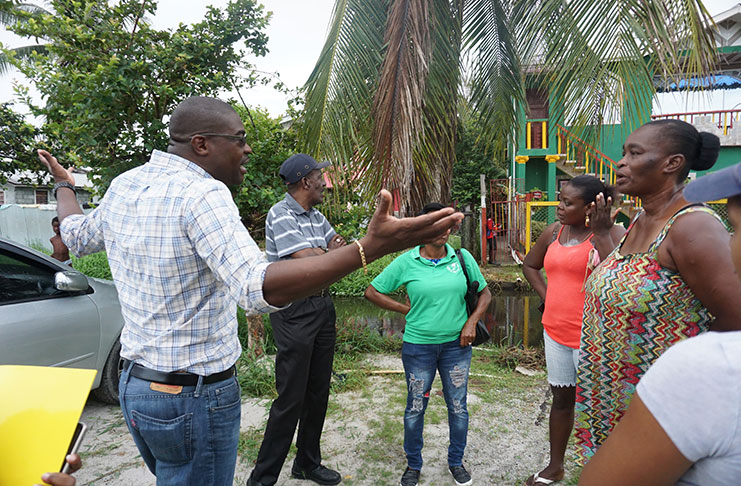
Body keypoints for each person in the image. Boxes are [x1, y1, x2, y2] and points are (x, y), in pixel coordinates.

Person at [37, 96, 463, 486]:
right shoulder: (203, 193)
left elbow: (76, 233)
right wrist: (369, 249)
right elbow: (253, 285)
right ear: (201, 144)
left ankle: (306, 461)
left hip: (138, 388)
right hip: (193, 395)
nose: (248, 150)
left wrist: (63, 186)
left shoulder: (125, 185)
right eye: (240, 140)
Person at [574, 119, 741, 464]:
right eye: (623, 153)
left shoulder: (691, 226)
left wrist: (681, 375)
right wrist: (604, 234)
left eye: (635, 153)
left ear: (672, 163)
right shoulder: (640, 220)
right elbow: (627, 284)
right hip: (614, 396)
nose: (621, 162)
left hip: (661, 404)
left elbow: (735, 319)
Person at [364, 203, 492, 486]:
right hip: (418, 348)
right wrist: (403, 309)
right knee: (415, 407)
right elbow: (372, 291)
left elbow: (484, 295)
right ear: (423, 227)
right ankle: (413, 465)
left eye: (448, 225)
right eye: (437, 225)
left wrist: (472, 322)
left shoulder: (461, 258)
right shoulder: (407, 261)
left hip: (455, 348)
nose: (444, 231)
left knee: (457, 406)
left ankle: (456, 462)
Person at [248, 154, 346, 486]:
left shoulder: (315, 216)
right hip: (295, 312)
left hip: (321, 307)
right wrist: (325, 254)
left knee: (318, 391)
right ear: (306, 181)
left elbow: (337, 247)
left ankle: (307, 463)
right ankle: (262, 478)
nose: (324, 183)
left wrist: (324, 253)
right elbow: (306, 259)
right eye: (320, 177)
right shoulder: (280, 214)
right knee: (290, 398)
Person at [522, 175, 625, 485]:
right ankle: (555, 467)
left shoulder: (613, 234)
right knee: (562, 400)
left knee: (602, 407)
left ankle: (610, 472)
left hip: (594, 338)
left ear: (591, 207)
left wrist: (603, 233)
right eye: (560, 199)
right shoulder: (554, 232)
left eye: (568, 203)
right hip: (555, 332)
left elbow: (620, 277)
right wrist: (548, 296)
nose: (559, 207)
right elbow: (530, 265)